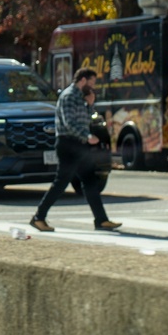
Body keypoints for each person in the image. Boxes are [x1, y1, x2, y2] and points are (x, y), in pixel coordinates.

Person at [31, 67, 121, 232]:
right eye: (92, 82)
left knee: (89, 181)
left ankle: (101, 220)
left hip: (79, 145)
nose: (93, 86)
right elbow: (69, 123)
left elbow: (85, 120)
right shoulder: (68, 96)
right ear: (83, 80)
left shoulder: (81, 97)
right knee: (61, 182)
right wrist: (87, 136)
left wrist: (90, 105)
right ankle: (38, 217)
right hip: (68, 144)